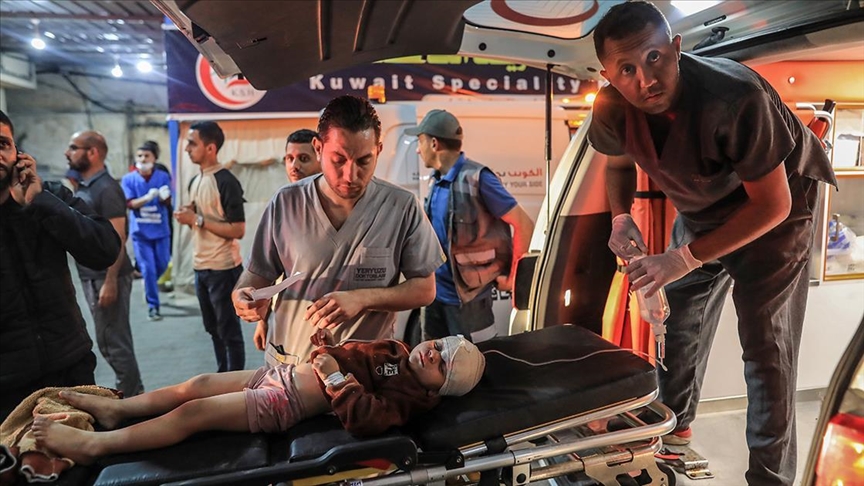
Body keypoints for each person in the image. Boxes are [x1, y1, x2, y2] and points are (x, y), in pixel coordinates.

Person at [587, 2, 836, 484]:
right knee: (678, 316)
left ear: (676, 48)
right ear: (608, 76)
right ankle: (673, 430)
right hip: (702, 212)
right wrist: (620, 217)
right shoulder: (612, 107)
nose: (646, 79)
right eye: (627, 69)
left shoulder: (736, 97)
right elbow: (616, 163)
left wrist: (683, 257)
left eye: (655, 57)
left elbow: (773, 205)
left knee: (766, 349)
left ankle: (770, 478)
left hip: (778, 213)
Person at [30, 334, 486, 465]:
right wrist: (326, 347)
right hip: (282, 374)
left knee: (194, 412)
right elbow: (345, 354)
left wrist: (333, 373)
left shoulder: (409, 398)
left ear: (438, 389)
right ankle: (120, 409)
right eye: (439, 345)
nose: (432, 352)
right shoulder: (396, 351)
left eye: (442, 363)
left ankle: (95, 446)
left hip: (285, 403)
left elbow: (365, 418)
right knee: (197, 383)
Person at [232, 95, 444, 368]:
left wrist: (363, 299)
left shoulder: (401, 207)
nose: (350, 175)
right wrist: (244, 296)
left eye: (364, 161)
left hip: (366, 371)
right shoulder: (286, 203)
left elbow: (425, 289)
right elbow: (258, 274)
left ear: (378, 150)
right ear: (319, 148)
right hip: (290, 367)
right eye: (339, 160)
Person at [0, 110, 121, 421]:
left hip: (70, 368)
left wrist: (40, 202)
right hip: (7, 385)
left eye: (2, 144)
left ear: (18, 155)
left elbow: (105, 249)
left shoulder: (49, 196)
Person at [408, 110, 535, 343]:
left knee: (479, 359)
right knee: (434, 361)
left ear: (434, 143)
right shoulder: (436, 180)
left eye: (420, 141)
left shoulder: (478, 178)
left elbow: (524, 224)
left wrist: (513, 277)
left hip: (470, 302)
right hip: (434, 297)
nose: (418, 149)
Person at [67, 130, 145, 399]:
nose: (68, 153)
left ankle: (132, 401)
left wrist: (111, 281)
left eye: (74, 147)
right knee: (107, 342)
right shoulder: (86, 186)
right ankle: (134, 395)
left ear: (93, 152)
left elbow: (118, 237)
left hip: (107, 276)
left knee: (115, 343)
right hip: (92, 275)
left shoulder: (107, 188)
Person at [174, 121, 247, 372]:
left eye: (192, 143)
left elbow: (238, 230)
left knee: (229, 332)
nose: (187, 149)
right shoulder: (196, 180)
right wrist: (190, 216)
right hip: (201, 267)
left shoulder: (226, 181)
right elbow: (203, 220)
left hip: (223, 269)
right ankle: (222, 376)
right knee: (213, 329)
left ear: (210, 148)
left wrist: (196, 219)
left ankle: (235, 382)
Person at [252, 128, 325, 352]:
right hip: (286, 320)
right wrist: (262, 320)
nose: (294, 166)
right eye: (289, 159)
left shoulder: (333, 207)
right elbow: (270, 270)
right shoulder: (282, 205)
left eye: (303, 158)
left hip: (323, 322)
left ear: (321, 157)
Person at [122, 142, 173, 320]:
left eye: (146, 156)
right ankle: (153, 306)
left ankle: (149, 283)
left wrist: (166, 197)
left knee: (163, 264)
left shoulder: (162, 176)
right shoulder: (128, 179)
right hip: (141, 233)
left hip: (161, 230)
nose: (143, 159)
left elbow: (168, 202)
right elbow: (130, 204)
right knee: (148, 268)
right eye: (140, 156)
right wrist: (147, 198)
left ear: (154, 158)